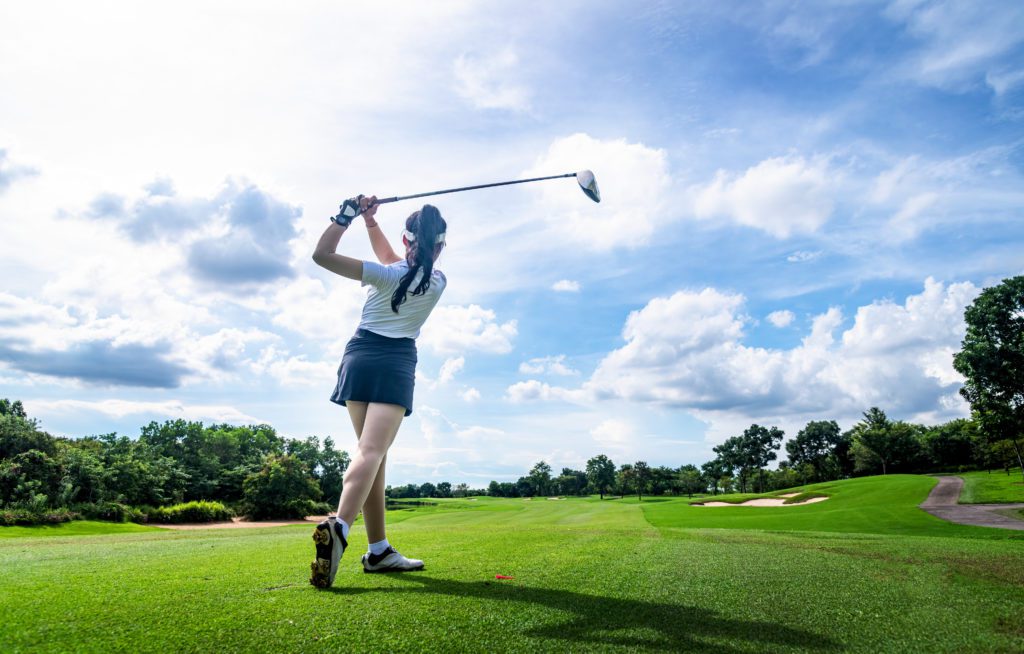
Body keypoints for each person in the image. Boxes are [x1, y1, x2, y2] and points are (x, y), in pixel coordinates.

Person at [309, 194, 447, 589]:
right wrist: (371, 223)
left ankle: (379, 550)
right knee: (372, 452)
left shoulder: (382, 275)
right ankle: (338, 527)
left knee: (372, 457)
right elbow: (398, 261)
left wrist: (350, 215)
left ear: (408, 241)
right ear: (440, 247)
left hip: (358, 357)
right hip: (394, 363)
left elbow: (322, 254)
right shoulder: (438, 281)